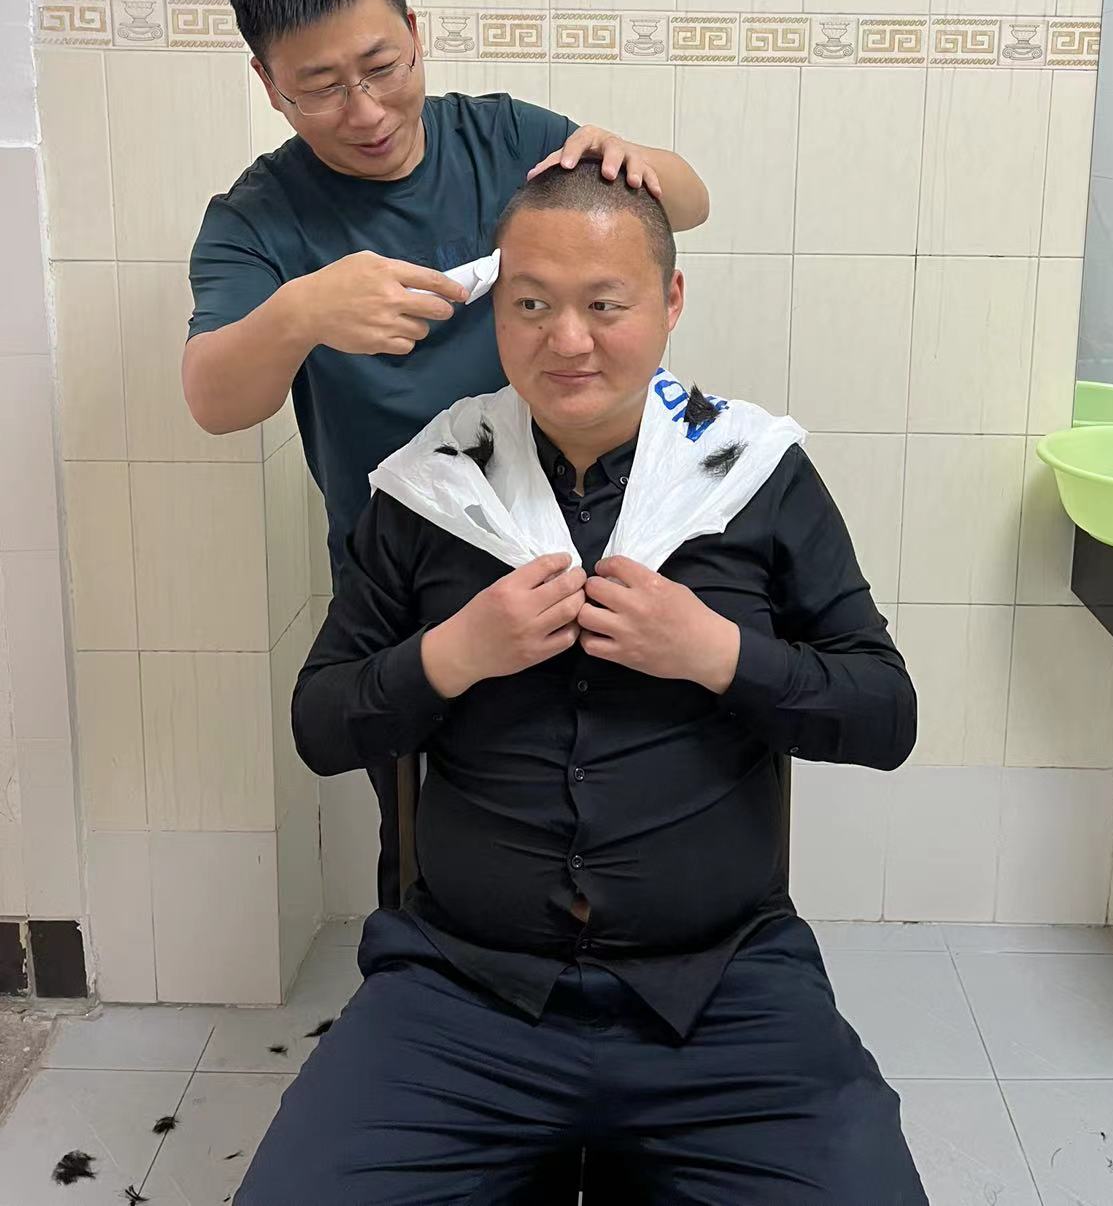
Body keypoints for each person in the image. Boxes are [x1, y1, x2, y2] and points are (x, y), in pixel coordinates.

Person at [236, 163, 925, 1205]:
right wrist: (454, 653)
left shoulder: (751, 474)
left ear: (670, 301)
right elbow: (321, 726)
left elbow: (885, 715)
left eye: (605, 305)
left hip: (721, 990)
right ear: (497, 312)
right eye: (531, 306)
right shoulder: (435, 486)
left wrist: (715, 651)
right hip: (463, 989)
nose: (568, 341)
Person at [183, 0, 710, 905]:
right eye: (320, 88)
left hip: (580, 543)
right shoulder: (260, 217)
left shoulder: (506, 139)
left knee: (599, 813)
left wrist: (634, 154)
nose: (366, 110)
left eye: (382, 66)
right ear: (267, 83)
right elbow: (214, 397)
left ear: (415, 32)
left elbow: (683, 205)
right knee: (434, 839)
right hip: (407, 580)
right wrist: (301, 313)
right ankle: (429, 980)